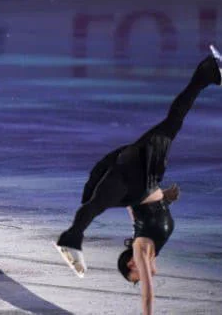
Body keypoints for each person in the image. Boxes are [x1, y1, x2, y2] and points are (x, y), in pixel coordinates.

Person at [55, 47, 222, 312]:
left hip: (140, 174)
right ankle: (209, 71)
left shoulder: (142, 248)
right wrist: (164, 196)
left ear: (133, 264)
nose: (146, 276)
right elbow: (138, 208)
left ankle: (209, 71)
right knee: (172, 123)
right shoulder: (144, 237)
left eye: (138, 275)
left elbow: (147, 297)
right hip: (139, 177)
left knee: (172, 122)